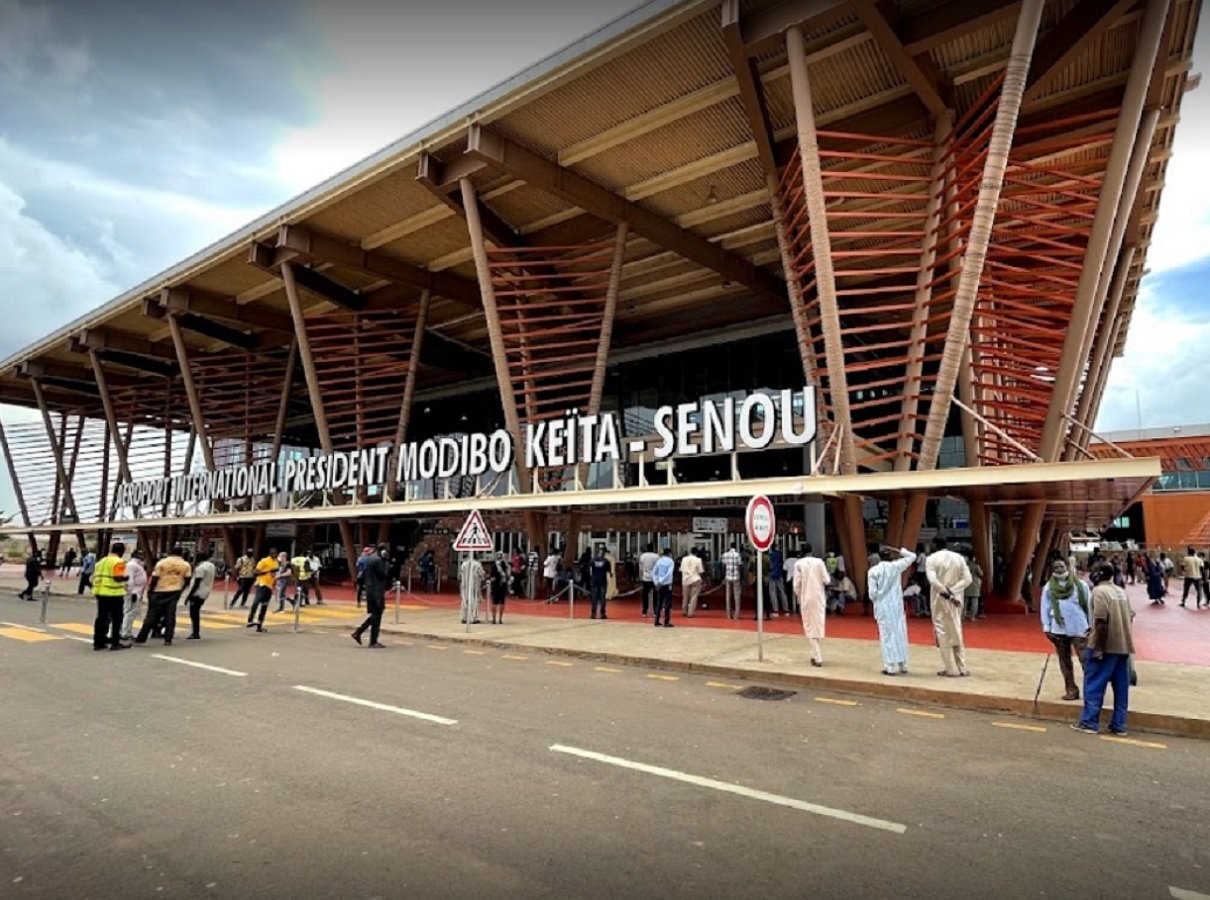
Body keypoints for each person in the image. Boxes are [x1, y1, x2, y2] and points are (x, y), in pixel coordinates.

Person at [1073, 561, 1134, 735]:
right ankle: (1119, 725)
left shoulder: (1099, 592)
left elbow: (1101, 621)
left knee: (1094, 684)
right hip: (1123, 646)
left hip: (1105, 646)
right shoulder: (1121, 591)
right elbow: (1130, 616)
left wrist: (1098, 648)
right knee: (1121, 688)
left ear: (1098, 574)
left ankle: (1089, 722)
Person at [1040, 558, 1090, 701]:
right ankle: (1071, 690)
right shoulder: (1049, 587)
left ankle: (1091, 691)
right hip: (1058, 629)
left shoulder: (1080, 585)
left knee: (1086, 661)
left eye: (1061, 566)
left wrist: (1091, 626)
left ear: (1067, 567)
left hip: (1079, 628)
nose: (1059, 569)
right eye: (1056, 567)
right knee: (1064, 662)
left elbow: (1089, 606)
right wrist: (1047, 627)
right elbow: (1045, 608)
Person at [926, 537, 973, 678]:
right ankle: (962, 668)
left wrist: (946, 592)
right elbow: (968, 579)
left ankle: (950, 669)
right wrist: (953, 591)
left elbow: (933, 581)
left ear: (935, 545)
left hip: (939, 600)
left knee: (943, 633)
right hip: (957, 600)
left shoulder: (931, 559)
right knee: (957, 630)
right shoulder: (959, 558)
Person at [868, 547, 916, 675]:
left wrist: (878, 597)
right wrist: (899, 550)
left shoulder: (873, 571)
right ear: (891, 557)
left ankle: (890, 666)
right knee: (900, 633)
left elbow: (872, 594)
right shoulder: (896, 566)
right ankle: (903, 664)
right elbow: (912, 556)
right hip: (896, 606)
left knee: (886, 635)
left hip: (883, 607)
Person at [135, 546, 192, 646]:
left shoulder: (162, 563)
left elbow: (155, 578)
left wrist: (150, 590)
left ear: (170, 552)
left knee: (152, 615)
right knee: (170, 615)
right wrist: (181, 588)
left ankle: (141, 638)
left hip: (159, 590)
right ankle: (168, 638)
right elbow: (188, 579)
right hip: (175, 590)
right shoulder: (185, 565)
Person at [793, 544, 829, 667]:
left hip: (806, 597)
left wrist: (798, 595)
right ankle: (815, 654)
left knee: (809, 625)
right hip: (819, 597)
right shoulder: (819, 562)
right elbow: (827, 580)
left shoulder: (799, 564)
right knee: (817, 624)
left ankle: (817, 656)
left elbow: (796, 585)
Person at [91, 542, 129, 652]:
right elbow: (117, 578)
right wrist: (126, 578)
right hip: (114, 593)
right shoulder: (118, 562)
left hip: (100, 592)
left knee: (101, 618)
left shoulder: (101, 561)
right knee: (117, 618)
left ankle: (99, 642)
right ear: (121, 551)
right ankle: (115, 642)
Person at [352, 544, 390, 647]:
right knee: (377, 616)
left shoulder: (370, 559)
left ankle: (360, 633)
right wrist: (386, 562)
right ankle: (370, 639)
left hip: (371, 589)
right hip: (376, 591)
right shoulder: (378, 561)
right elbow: (384, 574)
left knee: (375, 615)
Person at [185, 550, 217, 640]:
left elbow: (197, 582)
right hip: (206, 590)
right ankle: (195, 631)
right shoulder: (211, 566)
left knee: (194, 613)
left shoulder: (200, 568)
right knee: (196, 611)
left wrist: (189, 595)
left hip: (198, 592)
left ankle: (195, 632)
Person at [119, 549, 148, 647]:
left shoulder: (138, 565)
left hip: (137, 592)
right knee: (129, 612)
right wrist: (132, 592)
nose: (142, 556)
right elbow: (129, 579)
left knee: (131, 613)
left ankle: (126, 631)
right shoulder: (132, 565)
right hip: (133, 592)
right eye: (140, 554)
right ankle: (125, 633)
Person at [246, 548, 278, 633]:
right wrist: (268, 571)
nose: (274, 554)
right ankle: (250, 619)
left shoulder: (276, 562)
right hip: (262, 584)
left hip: (269, 586)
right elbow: (255, 572)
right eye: (272, 553)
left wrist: (274, 583)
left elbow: (274, 574)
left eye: (275, 553)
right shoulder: (264, 561)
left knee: (264, 606)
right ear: (269, 553)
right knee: (256, 601)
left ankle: (259, 625)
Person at [651, 546, 675, 627]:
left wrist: (656, 582)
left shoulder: (659, 561)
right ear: (669, 553)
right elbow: (669, 573)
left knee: (659, 602)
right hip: (667, 584)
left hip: (659, 584)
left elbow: (654, 572)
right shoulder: (671, 562)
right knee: (667, 602)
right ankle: (666, 621)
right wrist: (662, 581)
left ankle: (656, 620)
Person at [459, 554, 484, 625]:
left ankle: (464, 617)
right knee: (474, 600)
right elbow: (481, 574)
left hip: (464, 584)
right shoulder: (477, 564)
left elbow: (460, 574)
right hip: (474, 585)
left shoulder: (463, 564)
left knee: (464, 600)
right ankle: (474, 618)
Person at [587, 545, 611, 619]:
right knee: (602, 598)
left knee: (594, 597)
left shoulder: (592, 560)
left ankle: (593, 613)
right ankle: (602, 613)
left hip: (594, 581)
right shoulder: (606, 561)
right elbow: (609, 572)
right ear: (604, 552)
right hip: (602, 581)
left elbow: (590, 571)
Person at [680, 547, 704, 618]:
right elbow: (701, 571)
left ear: (690, 551)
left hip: (685, 579)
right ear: (696, 553)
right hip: (695, 579)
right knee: (694, 596)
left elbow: (681, 569)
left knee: (685, 596)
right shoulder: (698, 560)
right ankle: (690, 613)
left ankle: (684, 611)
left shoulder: (684, 559)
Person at [721, 543, 743, 619]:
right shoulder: (737, 555)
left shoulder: (725, 555)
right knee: (737, 596)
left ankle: (728, 614)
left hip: (728, 576)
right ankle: (736, 615)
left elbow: (723, 566)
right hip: (736, 576)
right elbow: (740, 566)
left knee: (728, 596)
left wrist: (724, 575)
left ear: (730, 547)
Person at [638, 543, 658, 617]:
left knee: (645, 595)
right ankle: (655, 612)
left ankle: (644, 612)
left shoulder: (643, 556)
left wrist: (640, 576)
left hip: (645, 577)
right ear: (653, 548)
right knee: (656, 595)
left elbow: (640, 568)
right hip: (654, 578)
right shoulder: (656, 556)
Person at [767, 545, 787, 618]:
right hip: (779, 574)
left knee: (773, 592)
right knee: (782, 592)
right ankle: (786, 610)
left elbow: (770, 565)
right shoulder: (780, 555)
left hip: (772, 575)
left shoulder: (770, 556)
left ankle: (775, 610)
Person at [489, 553, 509, 624]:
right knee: (502, 602)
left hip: (495, 585)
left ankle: (494, 619)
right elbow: (508, 574)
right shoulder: (504, 565)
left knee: (494, 602)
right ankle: (500, 619)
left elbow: (492, 577)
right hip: (503, 585)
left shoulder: (494, 566)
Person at [964, 556, 984, 621]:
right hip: (975, 584)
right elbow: (981, 574)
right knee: (974, 601)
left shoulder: (966, 567)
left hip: (967, 583)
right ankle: (972, 616)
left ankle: (962, 616)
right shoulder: (976, 566)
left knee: (965, 601)